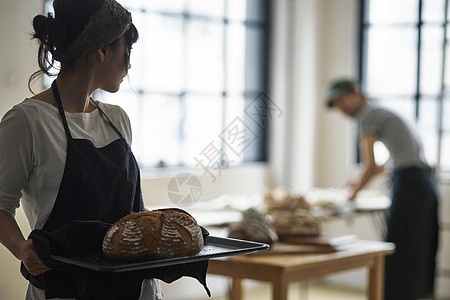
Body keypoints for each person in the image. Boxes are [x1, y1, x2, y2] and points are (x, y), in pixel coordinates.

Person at [0, 0, 163, 299]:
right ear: (102, 50)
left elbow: (132, 211)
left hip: (136, 289)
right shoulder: (28, 122)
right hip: (64, 289)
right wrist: (22, 248)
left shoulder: (117, 119)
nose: (129, 64)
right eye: (127, 50)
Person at [327, 79, 439, 300]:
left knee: (399, 252)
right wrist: (355, 181)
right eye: (336, 104)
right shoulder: (382, 111)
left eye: (342, 100)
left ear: (357, 93)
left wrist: (350, 194)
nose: (341, 108)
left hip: (410, 185)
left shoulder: (368, 116)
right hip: (424, 183)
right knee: (418, 251)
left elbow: (369, 166)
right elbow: (379, 167)